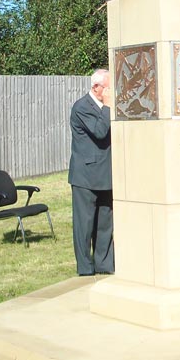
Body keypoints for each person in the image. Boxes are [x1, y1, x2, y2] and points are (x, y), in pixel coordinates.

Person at [68, 69, 115, 276]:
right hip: (86, 176)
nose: (110, 91)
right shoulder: (81, 107)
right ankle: (85, 268)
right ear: (96, 87)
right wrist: (107, 106)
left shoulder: (106, 107)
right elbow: (99, 131)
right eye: (108, 87)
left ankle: (104, 264)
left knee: (105, 223)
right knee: (84, 225)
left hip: (106, 172)